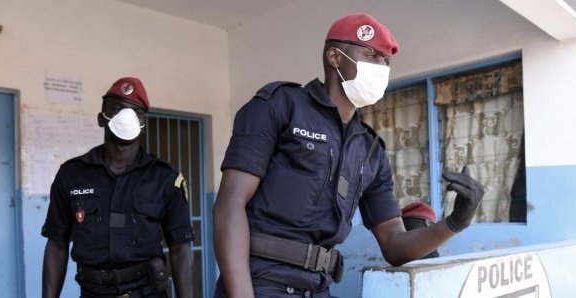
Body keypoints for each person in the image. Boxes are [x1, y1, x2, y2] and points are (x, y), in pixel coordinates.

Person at [213, 13, 484, 297]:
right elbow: (230, 204)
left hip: (319, 287)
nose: (381, 66)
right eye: (371, 54)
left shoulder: (369, 150)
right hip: (261, 283)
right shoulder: (281, 106)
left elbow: (394, 244)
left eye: (386, 61)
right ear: (335, 57)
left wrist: (455, 223)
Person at [41, 77, 194, 298]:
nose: (127, 116)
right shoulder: (72, 174)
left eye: (137, 112)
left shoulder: (165, 178)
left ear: (142, 123)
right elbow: (57, 244)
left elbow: (180, 249)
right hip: (93, 291)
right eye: (118, 108)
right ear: (101, 119)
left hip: (147, 291)